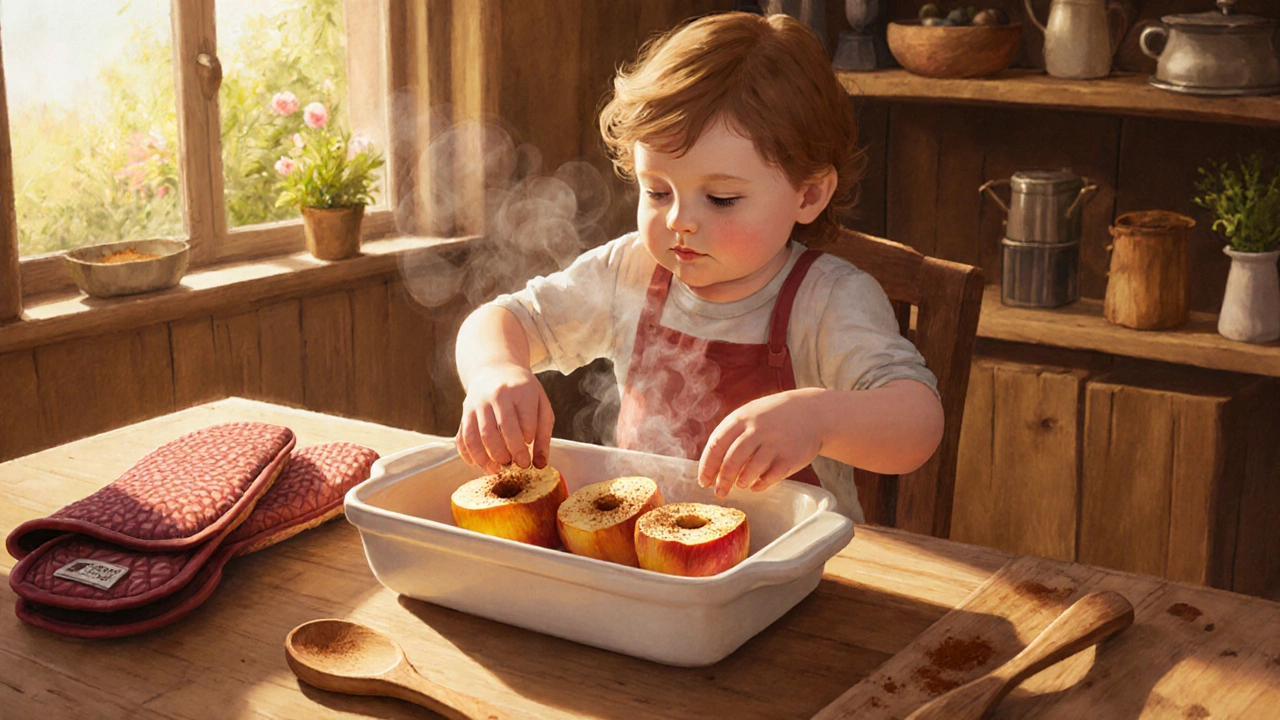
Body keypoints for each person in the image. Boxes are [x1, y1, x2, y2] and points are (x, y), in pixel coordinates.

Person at [453, 11, 942, 522]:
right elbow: (502, 320)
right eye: (657, 191)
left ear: (810, 193)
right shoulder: (631, 270)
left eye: (722, 198)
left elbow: (918, 424)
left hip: (793, 573)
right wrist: (495, 371)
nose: (681, 220)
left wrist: (818, 418)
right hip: (648, 559)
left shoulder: (831, 299)